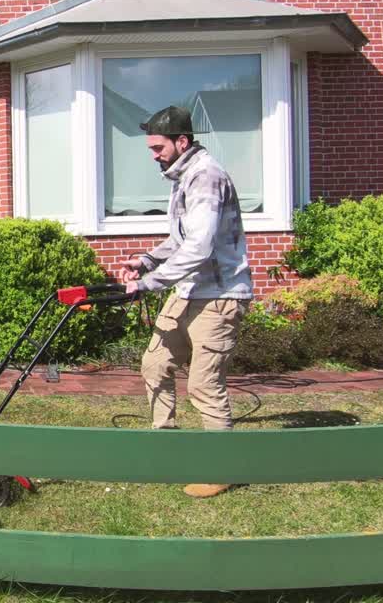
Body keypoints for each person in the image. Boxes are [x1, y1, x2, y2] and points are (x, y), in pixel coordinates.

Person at [117, 105, 253, 499]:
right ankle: (167, 448)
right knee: (155, 363)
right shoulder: (183, 177)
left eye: (158, 147)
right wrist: (145, 259)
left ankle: (220, 470)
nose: (153, 154)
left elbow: (200, 245)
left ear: (182, 141)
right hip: (190, 289)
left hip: (220, 294)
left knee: (204, 384)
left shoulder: (206, 177)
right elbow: (181, 239)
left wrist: (148, 282)